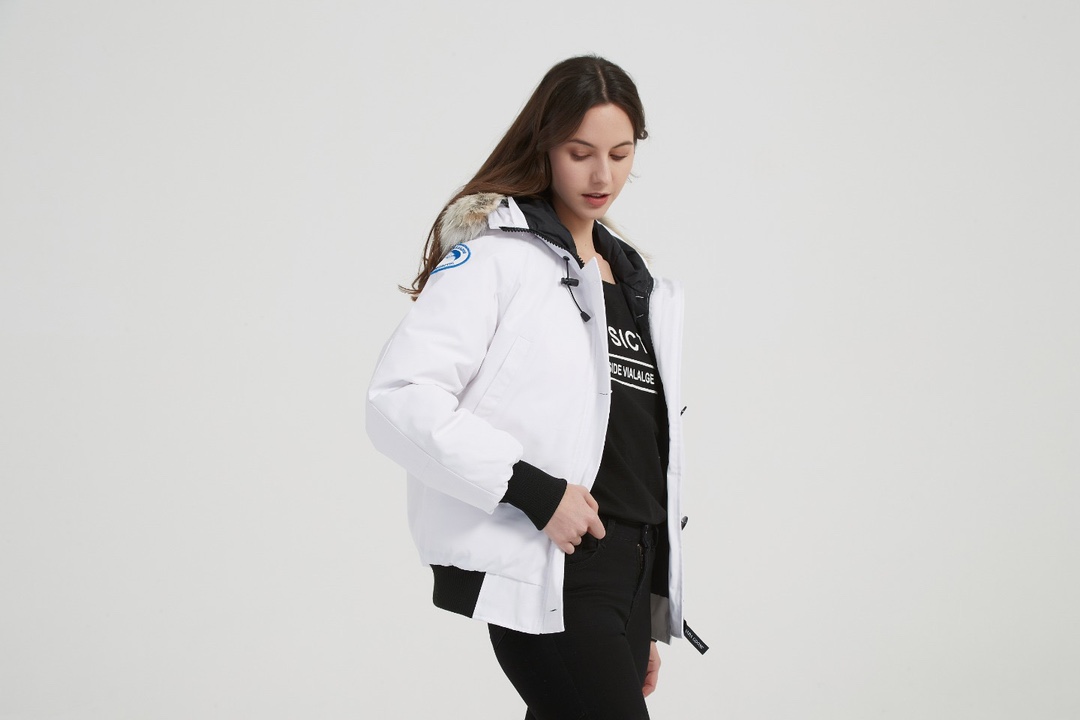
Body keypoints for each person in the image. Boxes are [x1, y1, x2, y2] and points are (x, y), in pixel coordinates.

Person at [366, 55, 699, 719]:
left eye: (620, 154)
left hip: (625, 580)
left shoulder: (637, 284)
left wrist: (644, 606)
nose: (602, 176)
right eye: (580, 153)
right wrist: (537, 493)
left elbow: (633, 448)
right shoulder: (497, 258)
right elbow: (399, 397)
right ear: (544, 145)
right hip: (555, 570)